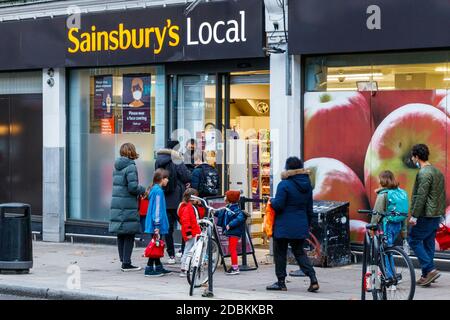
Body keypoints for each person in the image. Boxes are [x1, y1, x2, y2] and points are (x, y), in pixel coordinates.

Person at [266, 156, 319, 292]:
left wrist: (272, 201)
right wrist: (308, 224)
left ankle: (281, 283)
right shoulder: (307, 185)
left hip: (283, 225)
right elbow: (309, 208)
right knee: (299, 252)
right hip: (300, 224)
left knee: (280, 253)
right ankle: (313, 279)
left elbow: (279, 205)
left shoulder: (284, 184)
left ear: (288, 168)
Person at [408, 144, 446, 287]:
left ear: (417, 157)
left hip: (425, 215)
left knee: (414, 239)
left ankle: (430, 269)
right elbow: (441, 195)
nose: (412, 159)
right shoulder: (437, 172)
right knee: (428, 244)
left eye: (413, 156)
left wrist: (414, 216)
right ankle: (426, 276)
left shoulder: (424, 173)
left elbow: (421, 196)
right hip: (436, 215)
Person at [109, 143, 146, 272]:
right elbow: (133, 187)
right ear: (131, 151)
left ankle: (123, 260)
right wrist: (143, 189)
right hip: (128, 204)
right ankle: (126, 263)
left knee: (121, 233)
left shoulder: (117, 166)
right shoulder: (130, 166)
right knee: (129, 233)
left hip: (118, 203)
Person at [155, 140, 192, 264]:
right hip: (177, 199)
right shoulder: (176, 159)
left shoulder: (158, 160)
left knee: (168, 228)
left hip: (164, 198)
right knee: (184, 224)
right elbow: (186, 176)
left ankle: (170, 255)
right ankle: (182, 251)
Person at [372, 170, 409, 281]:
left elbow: (376, 213)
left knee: (384, 251)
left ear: (382, 180)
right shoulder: (401, 192)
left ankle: (389, 277)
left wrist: (372, 227)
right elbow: (404, 214)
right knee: (388, 249)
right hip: (397, 225)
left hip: (386, 225)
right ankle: (392, 273)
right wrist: (404, 232)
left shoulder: (383, 194)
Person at [144, 169, 172, 277]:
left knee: (157, 244)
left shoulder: (155, 189)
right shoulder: (159, 191)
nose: (168, 180)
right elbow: (157, 209)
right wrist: (157, 225)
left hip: (155, 223)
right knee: (156, 245)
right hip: (157, 224)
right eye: (166, 178)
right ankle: (149, 268)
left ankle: (158, 266)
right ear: (161, 179)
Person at [215, 190, 247, 275]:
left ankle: (235, 267)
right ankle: (234, 266)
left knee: (232, 249)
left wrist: (230, 224)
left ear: (230, 198)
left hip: (234, 232)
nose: (225, 197)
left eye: (226, 196)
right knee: (232, 249)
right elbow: (221, 213)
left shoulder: (235, 209)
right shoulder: (229, 207)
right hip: (231, 232)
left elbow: (240, 218)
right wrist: (215, 212)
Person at [178, 188, 205, 277]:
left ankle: (187, 267)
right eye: (196, 197)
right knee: (188, 250)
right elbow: (186, 221)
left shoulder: (191, 206)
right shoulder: (187, 207)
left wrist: (200, 206)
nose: (198, 199)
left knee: (191, 250)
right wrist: (188, 233)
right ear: (192, 198)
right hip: (192, 232)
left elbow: (200, 214)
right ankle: (184, 268)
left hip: (194, 231)